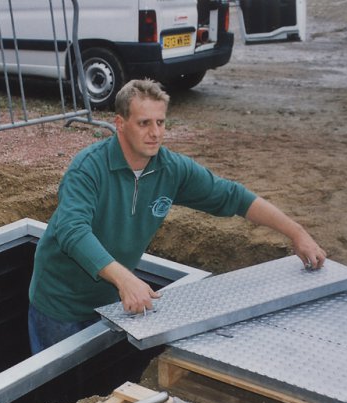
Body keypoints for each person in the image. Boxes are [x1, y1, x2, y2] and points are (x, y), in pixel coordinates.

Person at [27, 78, 326, 354]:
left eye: (160, 122)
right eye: (144, 123)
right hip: (60, 304)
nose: (155, 133)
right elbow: (72, 230)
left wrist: (296, 232)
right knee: (56, 401)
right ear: (120, 123)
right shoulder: (88, 168)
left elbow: (233, 196)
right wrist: (124, 279)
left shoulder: (170, 169)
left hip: (111, 302)